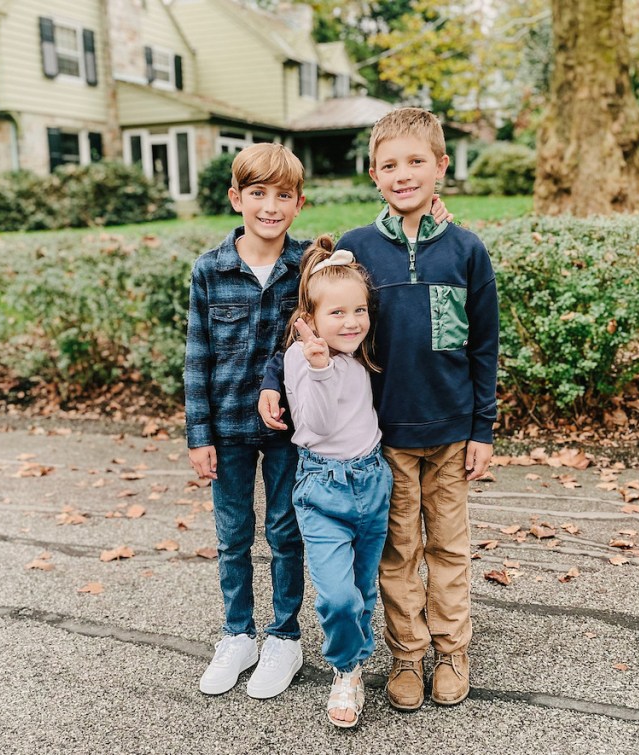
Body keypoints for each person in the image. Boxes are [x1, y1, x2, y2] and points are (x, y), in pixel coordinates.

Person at [259, 107, 500, 711]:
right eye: (390, 164)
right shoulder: (357, 248)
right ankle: (406, 656)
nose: (404, 174)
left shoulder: (466, 250)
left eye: (417, 161)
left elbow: (484, 346)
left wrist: (483, 427)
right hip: (383, 438)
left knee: (448, 548)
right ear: (373, 174)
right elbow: (308, 317)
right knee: (398, 554)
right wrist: (273, 377)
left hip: (449, 432)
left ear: (441, 167)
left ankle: (452, 652)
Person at [185, 142, 308, 699]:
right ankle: (238, 634)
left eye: (283, 195)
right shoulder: (210, 270)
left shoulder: (306, 266)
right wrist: (198, 434)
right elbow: (197, 357)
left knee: (285, 532)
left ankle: (284, 636)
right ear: (237, 198)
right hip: (227, 428)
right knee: (233, 536)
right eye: (257, 193)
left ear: (298, 203)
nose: (270, 206)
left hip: (289, 428)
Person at [282, 235, 392, 728]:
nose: (351, 322)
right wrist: (320, 368)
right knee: (337, 596)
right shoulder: (300, 360)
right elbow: (316, 427)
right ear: (309, 316)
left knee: (363, 588)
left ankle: (352, 669)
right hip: (322, 489)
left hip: (372, 482)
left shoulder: (361, 353)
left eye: (359, 311)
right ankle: (345, 665)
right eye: (337, 314)